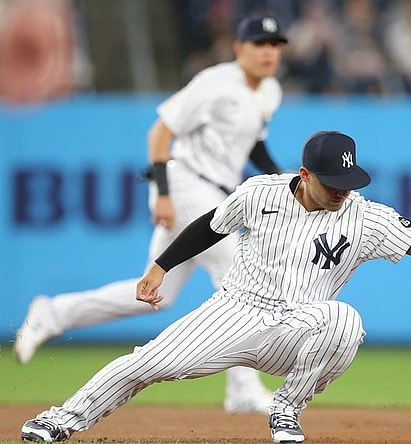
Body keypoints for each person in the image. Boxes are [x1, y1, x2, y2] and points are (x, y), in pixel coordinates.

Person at [19, 130, 411, 444]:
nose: (342, 192)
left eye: (350, 182)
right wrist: (159, 265)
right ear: (304, 173)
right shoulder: (260, 191)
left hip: (298, 322)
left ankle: (286, 411)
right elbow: (207, 226)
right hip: (234, 309)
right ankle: (63, 419)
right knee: (146, 363)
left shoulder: (364, 216)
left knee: (346, 321)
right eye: (332, 182)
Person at [13, 14, 289, 415]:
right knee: (239, 273)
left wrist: (287, 182)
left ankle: (53, 313)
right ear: (239, 48)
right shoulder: (215, 83)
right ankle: (243, 387)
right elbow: (159, 133)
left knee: (152, 294)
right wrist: (161, 193)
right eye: (260, 44)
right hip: (185, 183)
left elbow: (254, 147)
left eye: (275, 45)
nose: (269, 52)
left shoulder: (270, 92)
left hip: (215, 190)